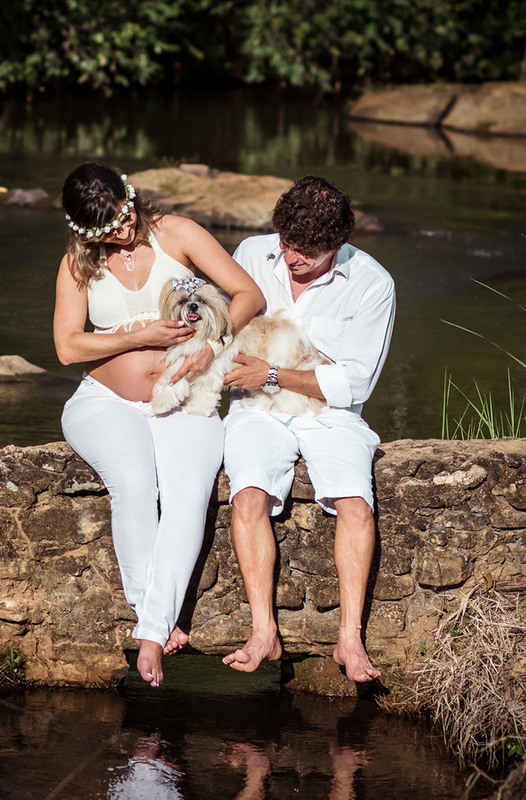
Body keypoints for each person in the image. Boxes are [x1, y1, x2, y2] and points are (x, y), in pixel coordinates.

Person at [54, 162, 263, 687]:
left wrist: (213, 346)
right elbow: (67, 346)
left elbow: (249, 295)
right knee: (134, 486)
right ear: (84, 232)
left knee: (189, 495)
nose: (124, 232)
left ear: (131, 195)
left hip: (186, 398)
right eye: (108, 231)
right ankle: (155, 619)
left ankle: (151, 634)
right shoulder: (78, 266)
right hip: (106, 400)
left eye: (126, 216)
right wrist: (136, 336)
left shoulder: (179, 233)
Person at [221, 175, 396, 682]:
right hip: (257, 405)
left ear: (337, 247)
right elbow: (223, 329)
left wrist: (275, 371)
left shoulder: (372, 282)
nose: (290, 258)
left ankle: (349, 640)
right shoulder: (252, 253)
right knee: (248, 495)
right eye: (286, 244)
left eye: (306, 253)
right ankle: (264, 634)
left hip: (331, 414)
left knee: (356, 504)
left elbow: (355, 382)